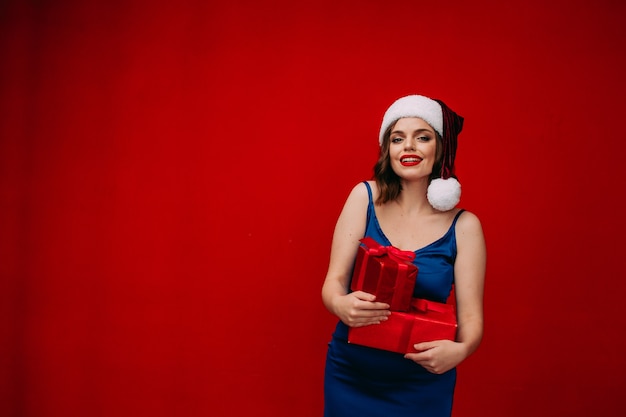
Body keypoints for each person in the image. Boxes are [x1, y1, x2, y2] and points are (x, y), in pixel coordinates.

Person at [321, 94, 486, 417]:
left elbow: (472, 320)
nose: (408, 147)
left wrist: (462, 350)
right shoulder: (363, 197)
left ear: (439, 148)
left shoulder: (465, 226)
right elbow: (332, 284)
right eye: (398, 139)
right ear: (388, 150)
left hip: (422, 382)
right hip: (351, 372)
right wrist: (340, 304)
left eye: (422, 137)